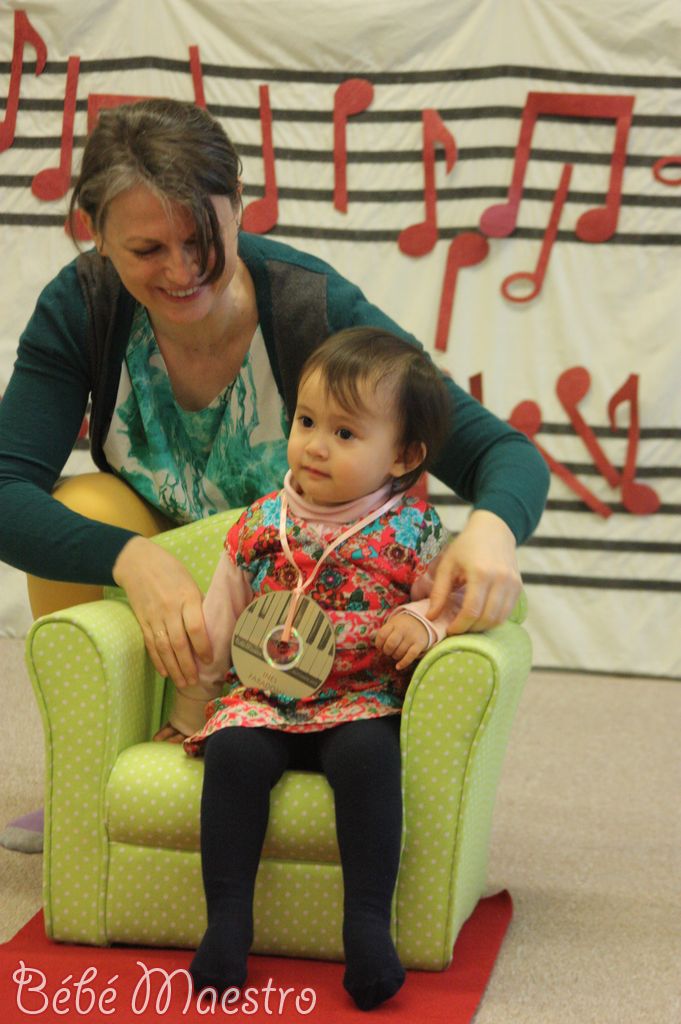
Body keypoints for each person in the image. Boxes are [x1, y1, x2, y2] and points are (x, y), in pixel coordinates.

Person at [0, 98, 549, 836]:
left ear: (238, 202)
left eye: (202, 239)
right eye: (147, 250)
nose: (182, 270)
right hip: (169, 591)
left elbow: (500, 452)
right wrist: (130, 557)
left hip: (298, 598)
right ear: (95, 234)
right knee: (88, 503)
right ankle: (87, 774)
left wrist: (491, 530)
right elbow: (5, 487)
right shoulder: (82, 304)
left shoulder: (312, 305)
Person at [180, 328, 462, 1010]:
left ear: (403, 455)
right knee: (233, 754)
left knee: (370, 759)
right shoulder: (259, 522)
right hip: (266, 698)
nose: (313, 445)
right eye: (306, 422)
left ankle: (366, 926)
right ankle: (227, 924)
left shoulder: (413, 530)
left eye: (344, 433)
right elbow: (220, 621)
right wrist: (190, 713)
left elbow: (455, 599)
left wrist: (423, 620)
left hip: (359, 699)